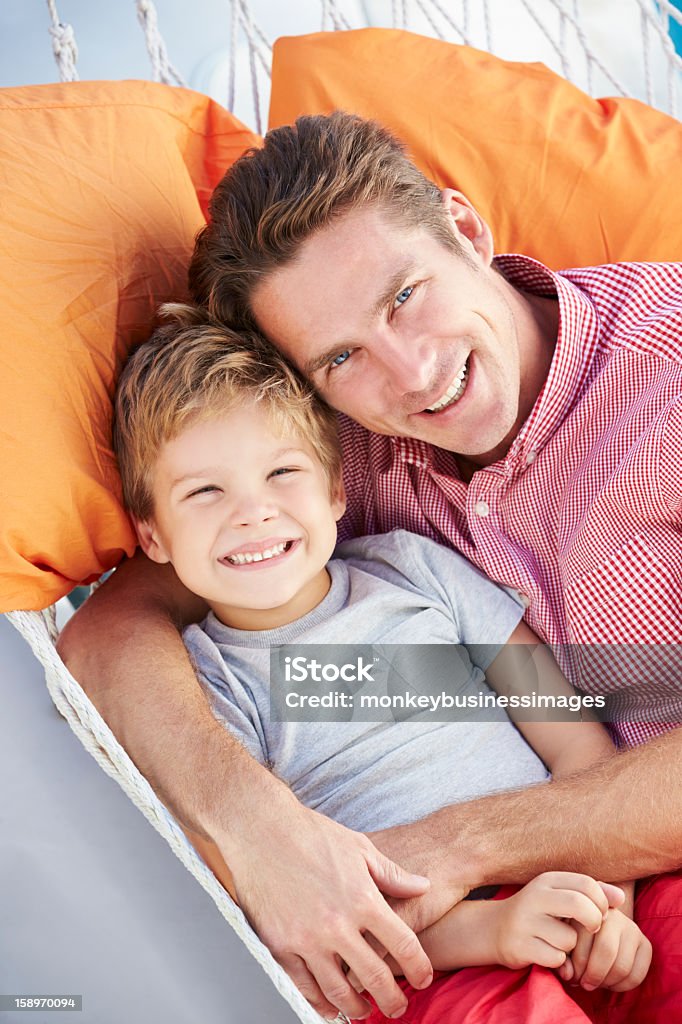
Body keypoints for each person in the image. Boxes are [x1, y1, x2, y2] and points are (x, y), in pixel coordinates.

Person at [58, 112, 682, 1022]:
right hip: (519, 936)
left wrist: (456, 846)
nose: (413, 373)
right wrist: (259, 828)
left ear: (466, 231)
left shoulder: (665, 375)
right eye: (342, 355)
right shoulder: (326, 460)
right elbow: (110, 631)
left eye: (404, 296)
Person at [112, 306, 650, 1023]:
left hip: (577, 877)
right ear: (152, 534)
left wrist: (609, 897)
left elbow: (571, 733)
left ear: (337, 492)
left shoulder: (417, 570)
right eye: (204, 492)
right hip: (435, 960)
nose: (253, 513)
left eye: (282, 473)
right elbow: (279, 913)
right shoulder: (205, 691)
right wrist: (489, 931)